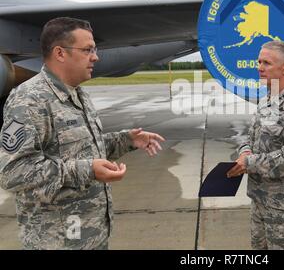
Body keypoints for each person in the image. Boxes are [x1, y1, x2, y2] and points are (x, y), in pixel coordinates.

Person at [0, 17, 165, 250]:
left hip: (91, 236)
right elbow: (13, 172)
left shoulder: (78, 93)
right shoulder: (29, 100)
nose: (95, 57)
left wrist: (126, 140)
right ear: (60, 53)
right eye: (87, 50)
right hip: (56, 242)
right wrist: (87, 170)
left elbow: (82, 148)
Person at [227, 40, 284, 250]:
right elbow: (251, 137)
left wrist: (249, 162)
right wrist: (244, 151)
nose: (259, 67)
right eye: (259, 62)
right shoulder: (267, 100)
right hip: (260, 198)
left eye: (267, 63)